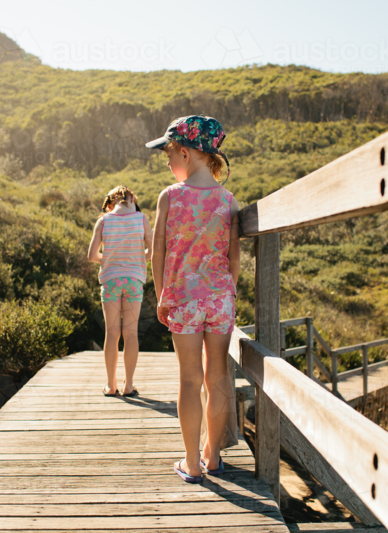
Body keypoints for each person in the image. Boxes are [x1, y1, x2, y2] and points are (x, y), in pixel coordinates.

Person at [147, 115, 239, 483]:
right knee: (218, 376)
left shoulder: (170, 196)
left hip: (184, 299)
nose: (168, 163)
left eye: (169, 155)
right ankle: (213, 455)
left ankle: (191, 462)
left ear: (185, 153)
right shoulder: (228, 200)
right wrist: (224, 293)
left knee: (189, 379)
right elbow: (234, 258)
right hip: (220, 299)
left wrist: (162, 296)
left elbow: (157, 252)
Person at [87, 185, 152, 397]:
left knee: (112, 332)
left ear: (110, 203)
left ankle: (110, 385)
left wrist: (110, 259)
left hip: (111, 280)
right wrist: (136, 258)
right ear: (132, 200)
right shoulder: (141, 219)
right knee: (131, 333)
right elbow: (152, 251)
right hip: (134, 280)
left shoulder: (103, 221)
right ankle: (129, 386)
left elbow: (92, 256)